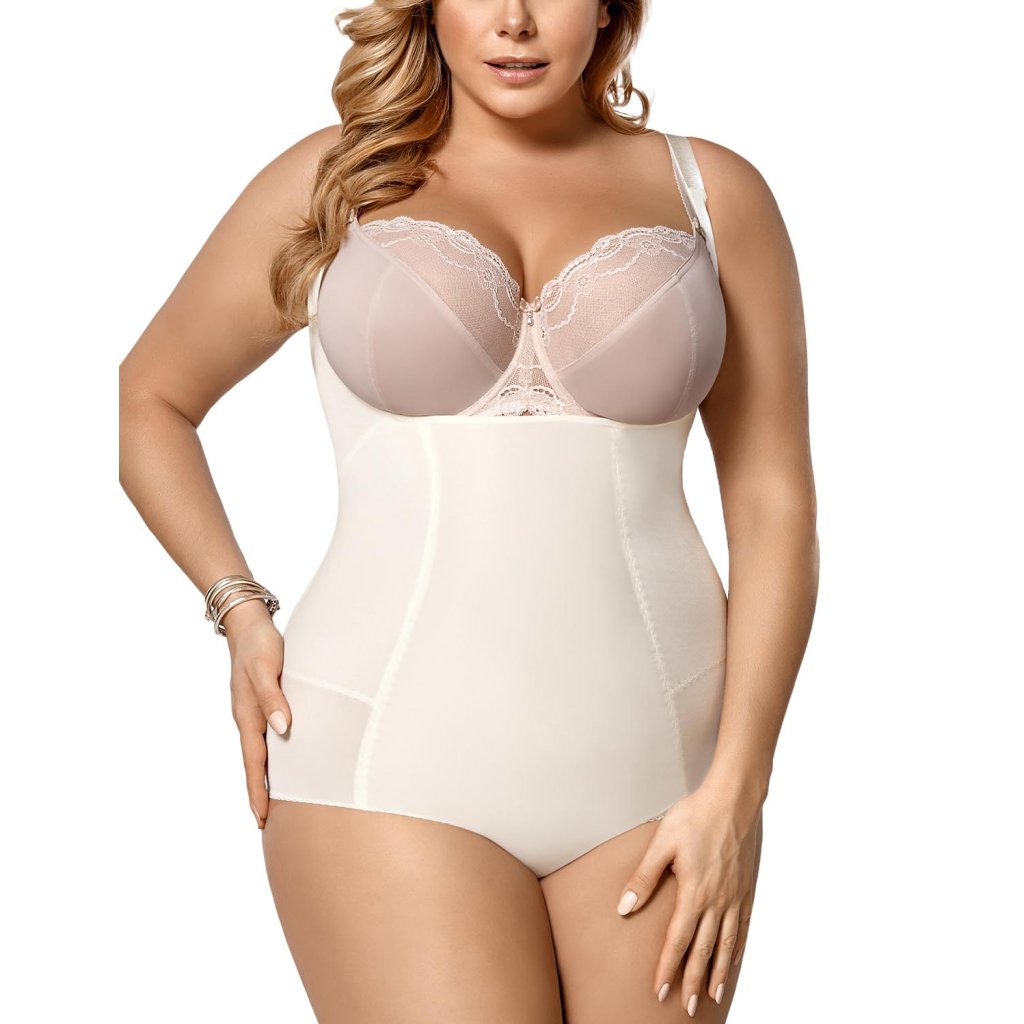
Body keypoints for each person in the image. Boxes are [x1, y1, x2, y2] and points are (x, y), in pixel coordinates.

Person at [118, 1, 818, 1020]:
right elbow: (150, 399)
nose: (516, 21)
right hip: (380, 761)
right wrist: (237, 605)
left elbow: (771, 500)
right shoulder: (337, 181)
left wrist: (738, 789)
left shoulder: (712, 193)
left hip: (670, 770)